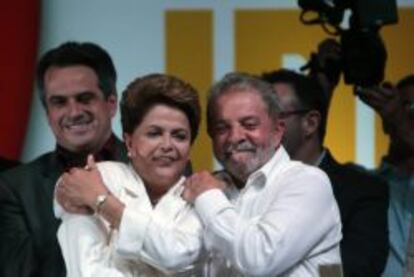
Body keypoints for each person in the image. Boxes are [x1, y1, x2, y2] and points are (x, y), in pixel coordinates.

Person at [182, 72, 342, 276]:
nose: (235, 137)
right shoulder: (207, 186)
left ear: (277, 130)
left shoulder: (308, 182)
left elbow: (259, 259)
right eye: (222, 128)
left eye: (249, 124)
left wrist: (207, 197)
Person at [54, 73, 204, 276]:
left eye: (179, 136)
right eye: (154, 133)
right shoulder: (100, 178)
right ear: (129, 142)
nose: (167, 145)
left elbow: (178, 255)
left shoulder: (202, 199)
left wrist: (103, 202)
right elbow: (87, 270)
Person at [0, 42, 128, 277]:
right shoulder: (14, 187)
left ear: (111, 104)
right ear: (48, 114)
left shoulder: (153, 169)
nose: (74, 112)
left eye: (85, 98)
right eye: (59, 102)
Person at [262, 69, 389, 276]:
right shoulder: (245, 185)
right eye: (256, 120)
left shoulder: (362, 191)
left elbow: (356, 267)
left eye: (276, 116)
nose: (261, 130)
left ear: (310, 123)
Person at [357, 75, 414, 277]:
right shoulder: (361, 184)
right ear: (385, 123)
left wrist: (401, 120)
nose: (409, 115)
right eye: (407, 107)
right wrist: (323, 84)